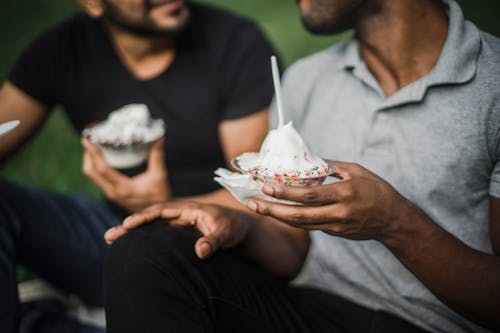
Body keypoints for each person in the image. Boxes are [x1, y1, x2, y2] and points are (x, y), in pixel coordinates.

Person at [103, 0, 500, 332]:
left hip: (430, 326)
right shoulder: (307, 79)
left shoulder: (492, 86)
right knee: (143, 254)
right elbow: (293, 247)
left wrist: (396, 224)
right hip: (316, 309)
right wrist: (240, 224)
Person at [0, 0, 276, 332]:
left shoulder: (235, 43)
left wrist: (163, 206)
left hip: (210, 248)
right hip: (113, 228)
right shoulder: (63, 49)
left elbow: (261, 198)